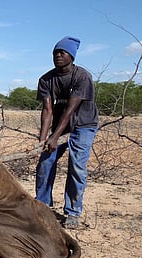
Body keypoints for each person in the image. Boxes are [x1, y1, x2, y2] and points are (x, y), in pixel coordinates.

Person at [34, 36, 99, 229]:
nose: (58, 56)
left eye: (62, 52)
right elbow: (47, 110)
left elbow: (70, 109)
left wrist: (54, 137)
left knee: (76, 166)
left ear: (72, 55)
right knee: (45, 161)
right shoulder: (46, 79)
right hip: (60, 126)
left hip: (83, 124)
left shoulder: (82, 76)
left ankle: (72, 212)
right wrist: (43, 139)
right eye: (55, 53)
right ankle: (42, 205)